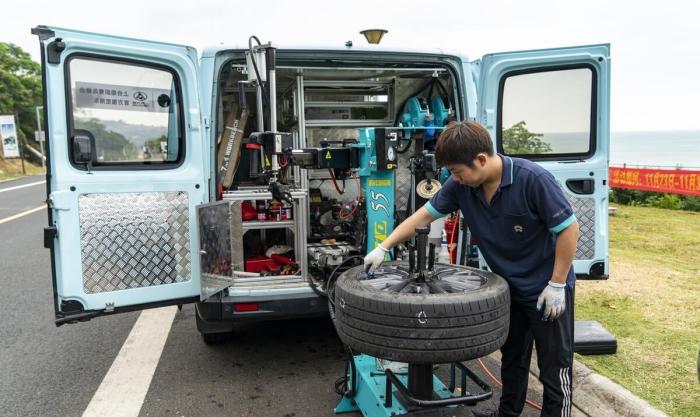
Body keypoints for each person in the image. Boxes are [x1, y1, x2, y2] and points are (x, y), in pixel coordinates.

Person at [364, 121, 579, 417]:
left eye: (456, 171)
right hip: (508, 288)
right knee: (512, 359)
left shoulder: (532, 179)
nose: (454, 178)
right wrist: (384, 246)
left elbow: (569, 229)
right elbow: (422, 217)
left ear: (480, 159)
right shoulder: (462, 187)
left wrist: (557, 283)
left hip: (546, 289)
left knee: (554, 368)